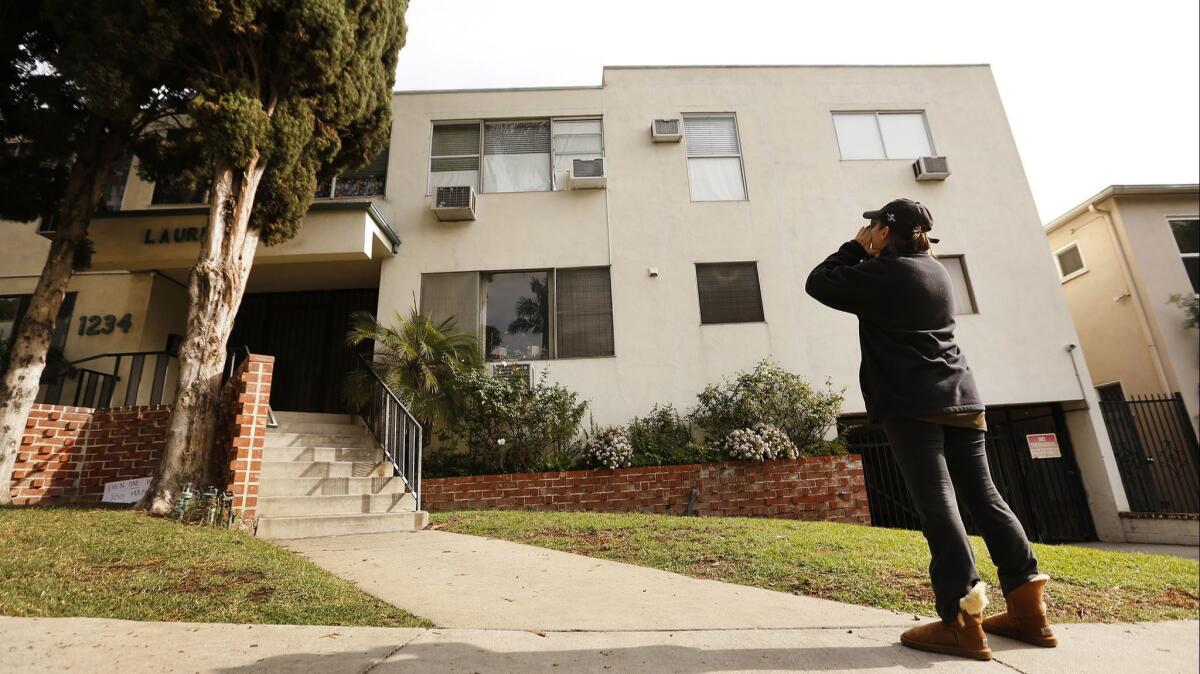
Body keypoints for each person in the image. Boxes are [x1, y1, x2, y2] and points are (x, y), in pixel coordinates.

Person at [805, 198, 1057, 661]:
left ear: (884, 231)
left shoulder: (884, 273)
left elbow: (818, 283)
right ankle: (1028, 610)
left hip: (913, 404)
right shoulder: (936, 271)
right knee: (985, 497)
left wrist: (854, 248)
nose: (868, 232)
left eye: (873, 226)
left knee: (939, 506)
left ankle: (962, 623)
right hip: (962, 396)